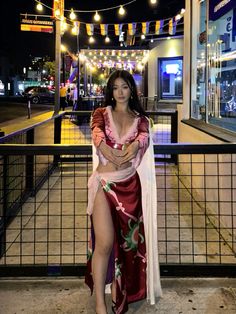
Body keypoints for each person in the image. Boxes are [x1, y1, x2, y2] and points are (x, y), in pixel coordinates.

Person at [85, 70, 162, 314]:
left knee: (127, 247)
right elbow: (97, 136)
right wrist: (108, 151)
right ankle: (100, 302)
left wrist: (135, 145)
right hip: (104, 184)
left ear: (132, 90)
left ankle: (122, 291)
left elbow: (143, 139)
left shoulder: (141, 120)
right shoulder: (100, 114)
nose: (120, 92)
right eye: (116, 87)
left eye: (125, 87)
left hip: (130, 187)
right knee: (105, 243)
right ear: (111, 90)